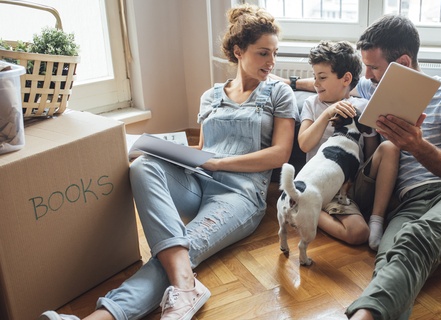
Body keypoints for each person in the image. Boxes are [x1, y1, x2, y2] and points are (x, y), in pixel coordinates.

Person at [39, 4, 298, 320]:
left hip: (240, 195)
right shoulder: (211, 96)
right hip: (198, 182)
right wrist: (177, 154)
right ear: (238, 51)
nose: (271, 62)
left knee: (180, 250)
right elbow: (202, 148)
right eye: (263, 54)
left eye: (274, 53)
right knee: (142, 165)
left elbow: (280, 154)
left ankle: (103, 316)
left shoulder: (279, 92)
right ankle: (186, 286)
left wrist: (220, 163)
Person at [340, 15, 441, 320]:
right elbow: (334, 84)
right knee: (388, 259)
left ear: (402, 62)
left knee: (417, 237)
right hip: (410, 202)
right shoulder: (373, 88)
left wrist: (416, 144)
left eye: (373, 67)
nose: (367, 75)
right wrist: (289, 83)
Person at [297, 40, 400, 250]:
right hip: (326, 185)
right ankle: (305, 207)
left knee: (390, 148)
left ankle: (377, 219)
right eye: (315, 76)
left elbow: (370, 154)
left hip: (354, 182)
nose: (316, 83)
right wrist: (327, 113)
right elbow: (304, 144)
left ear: (346, 79)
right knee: (358, 233)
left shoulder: (362, 106)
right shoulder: (312, 105)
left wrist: (369, 129)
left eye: (322, 77)